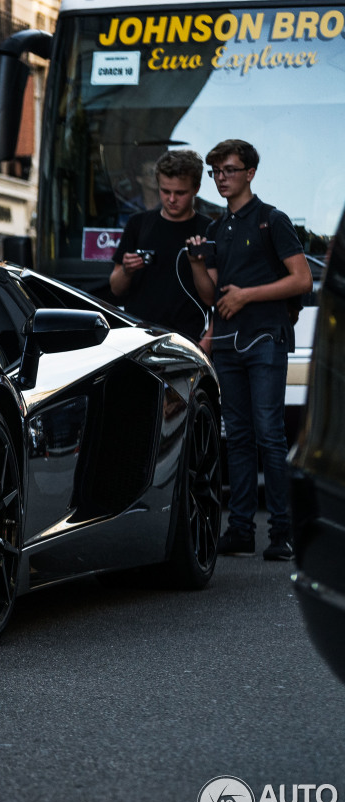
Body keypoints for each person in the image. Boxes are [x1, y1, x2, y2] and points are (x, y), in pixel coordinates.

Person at [186, 139, 312, 562]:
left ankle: (283, 532)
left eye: (230, 170)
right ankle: (240, 529)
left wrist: (247, 296)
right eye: (216, 172)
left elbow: (302, 280)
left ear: (251, 173)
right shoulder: (219, 228)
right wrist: (198, 264)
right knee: (236, 438)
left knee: (269, 437)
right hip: (227, 344)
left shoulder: (271, 220)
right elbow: (212, 295)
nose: (222, 178)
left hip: (264, 340)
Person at [109, 150, 212, 340]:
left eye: (180, 193)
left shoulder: (208, 230)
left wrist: (205, 345)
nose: (171, 199)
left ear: (196, 189)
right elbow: (115, 288)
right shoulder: (138, 224)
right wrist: (127, 270)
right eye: (165, 191)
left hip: (188, 340)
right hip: (139, 338)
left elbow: (213, 298)